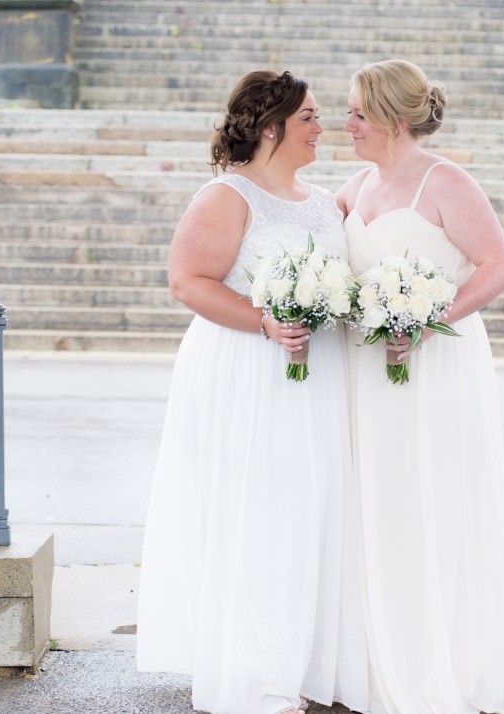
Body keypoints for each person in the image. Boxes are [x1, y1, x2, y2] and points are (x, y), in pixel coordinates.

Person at [136, 70, 368, 714]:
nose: (325, 128)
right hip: (245, 368)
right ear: (270, 128)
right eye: (310, 118)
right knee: (255, 510)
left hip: (316, 373)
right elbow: (187, 281)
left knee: (307, 511)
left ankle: (301, 661)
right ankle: (252, 669)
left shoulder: (324, 202)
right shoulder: (226, 195)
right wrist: (264, 321)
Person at [336, 59, 504, 713]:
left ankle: (442, 667)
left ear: (394, 119)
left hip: (434, 364)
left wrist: (430, 320)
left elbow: (497, 266)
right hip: (368, 367)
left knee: (433, 498)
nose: (348, 125)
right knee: (378, 503)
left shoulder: (444, 181)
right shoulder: (355, 186)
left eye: (358, 113)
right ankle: (373, 658)